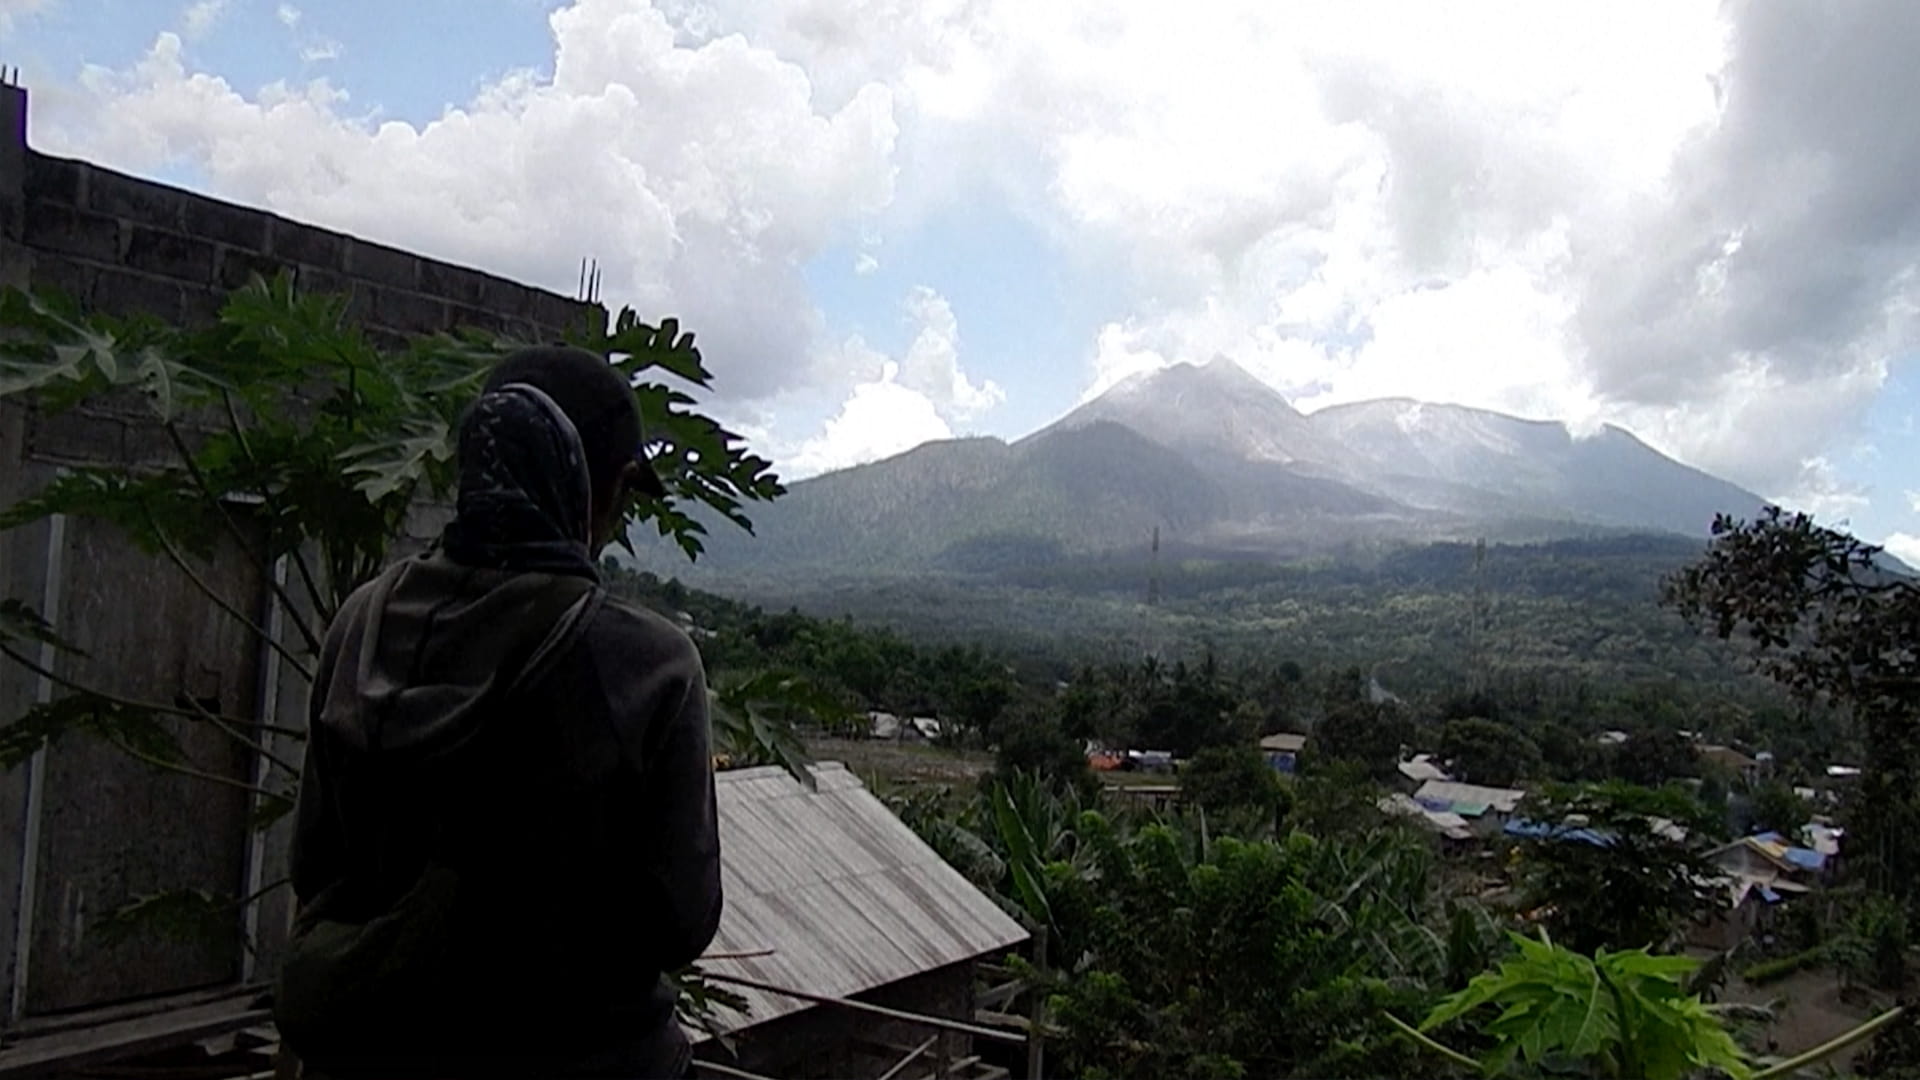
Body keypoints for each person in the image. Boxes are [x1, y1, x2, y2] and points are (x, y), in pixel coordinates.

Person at [274, 346, 723, 1079]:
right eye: (619, 490)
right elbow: (680, 920)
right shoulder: (651, 665)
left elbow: (314, 865)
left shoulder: (363, 622)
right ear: (589, 486)